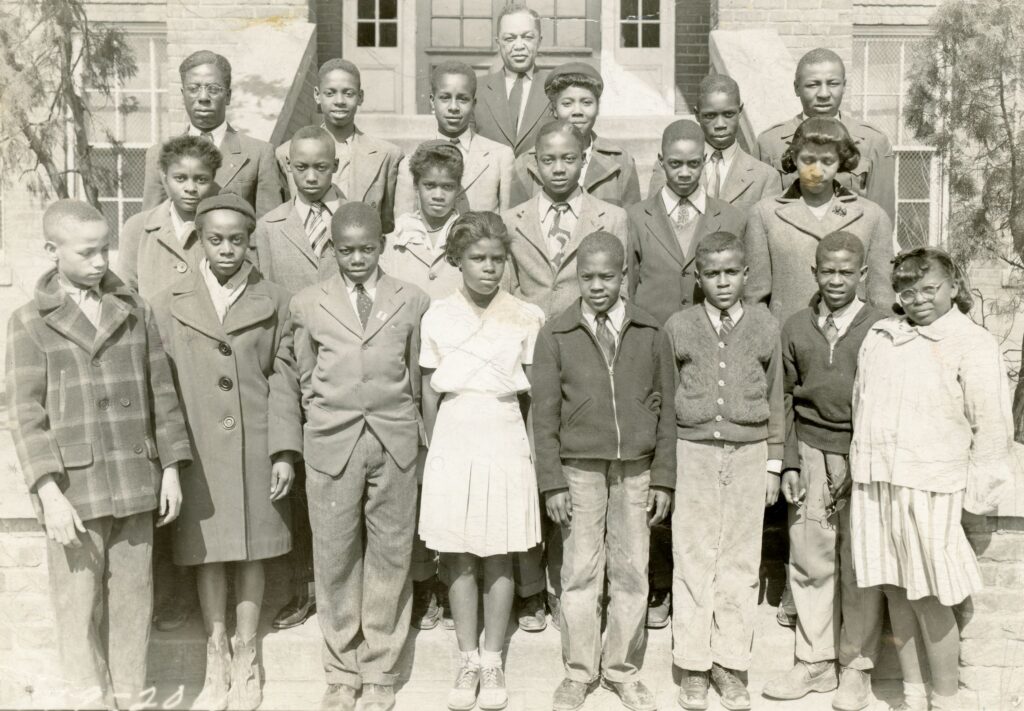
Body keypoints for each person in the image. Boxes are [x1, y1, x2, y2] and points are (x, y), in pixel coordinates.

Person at [6, 200, 191, 709]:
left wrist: (171, 469)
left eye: (104, 249)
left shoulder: (135, 309)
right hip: (73, 487)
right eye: (86, 252)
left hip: (135, 477)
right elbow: (25, 414)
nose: (100, 262)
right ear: (52, 251)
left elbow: (163, 394)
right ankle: (89, 698)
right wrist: (48, 492)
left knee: (134, 599)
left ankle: (132, 696)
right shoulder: (28, 322)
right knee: (78, 602)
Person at [270, 202, 430, 711]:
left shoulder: (411, 299)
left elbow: (413, 374)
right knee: (335, 555)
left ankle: (382, 666)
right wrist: (321, 420)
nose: (357, 258)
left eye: (366, 249)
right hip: (332, 442)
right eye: (346, 250)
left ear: (381, 246)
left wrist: (414, 436)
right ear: (331, 248)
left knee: (390, 553)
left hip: (394, 440)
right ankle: (341, 670)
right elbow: (303, 374)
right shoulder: (308, 302)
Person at [850, 247, 1014, 711]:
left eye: (929, 289)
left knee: (930, 594)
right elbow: (864, 404)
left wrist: (978, 495)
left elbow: (992, 426)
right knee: (896, 589)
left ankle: (945, 699)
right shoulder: (882, 336)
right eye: (907, 290)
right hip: (880, 479)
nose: (918, 299)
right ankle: (912, 693)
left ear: (954, 287)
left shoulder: (971, 343)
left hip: (933, 485)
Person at [150, 194, 294, 711]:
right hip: (200, 448)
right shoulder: (170, 300)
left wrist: (283, 450)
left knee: (253, 548)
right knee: (209, 550)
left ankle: (246, 651)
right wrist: (171, 455)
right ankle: (216, 651)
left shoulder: (274, 299)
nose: (227, 249)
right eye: (216, 239)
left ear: (249, 240)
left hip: (256, 443)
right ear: (200, 240)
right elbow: (160, 382)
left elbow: (284, 377)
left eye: (237, 239)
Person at [532, 231, 674, 711]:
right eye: (587, 277)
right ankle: (578, 671)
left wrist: (664, 476)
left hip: (636, 469)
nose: (596, 286)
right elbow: (544, 415)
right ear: (577, 277)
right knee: (579, 571)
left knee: (633, 570)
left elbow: (667, 410)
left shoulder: (650, 331)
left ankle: (622, 670)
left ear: (624, 276)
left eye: (606, 277)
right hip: (578, 469)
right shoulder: (556, 332)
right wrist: (551, 480)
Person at [502, 119, 629, 631]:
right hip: (530, 359)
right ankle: (533, 587)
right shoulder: (511, 219)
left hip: (588, 360)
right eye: (548, 159)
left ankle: (578, 587)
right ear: (533, 163)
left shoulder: (612, 217)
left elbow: (625, 293)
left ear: (585, 161)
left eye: (569, 159)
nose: (559, 167)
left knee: (578, 474)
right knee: (534, 471)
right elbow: (507, 295)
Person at [417, 211, 544, 711]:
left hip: (505, 431)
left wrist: (531, 452)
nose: (489, 268)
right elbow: (430, 392)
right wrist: (434, 448)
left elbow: (533, 394)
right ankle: (466, 656)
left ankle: (493, 659)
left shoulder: (526, 315)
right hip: (454, 433)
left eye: (497, 259)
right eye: (477, 259)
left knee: (500, 549)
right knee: (460, 553)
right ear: (457, 261)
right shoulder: (437, 315)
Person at [761, 232, 887, 711]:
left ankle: (856, 667)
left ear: (863, 275)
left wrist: (863, 457)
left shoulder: (880, 327)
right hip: (811, 452)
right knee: (811, 559)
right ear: (814, 273)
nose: (836, 280)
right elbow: (786, 400)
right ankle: (815, 661)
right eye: (827, 271)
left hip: (863, 457)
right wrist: (789, 460)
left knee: (858, 564)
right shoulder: (794, 326)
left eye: (845, 272)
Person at [665, 231, 784, 711]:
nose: (722, 282)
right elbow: (667, 393)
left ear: (746, 275)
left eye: (731, 272)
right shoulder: (678, 326)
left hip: (750, 453)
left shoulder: (765, 325)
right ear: (699, 277)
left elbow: (777, 396)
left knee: (738, 560)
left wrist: (774, 462)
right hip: (693, 453)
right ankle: (693, 665)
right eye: (712, 274)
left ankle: (730, 665)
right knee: (693, 556)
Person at [252, 124, 346, 631]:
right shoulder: (270, 226)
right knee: (301, 482)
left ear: (337, 167)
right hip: (293, 362)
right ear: (288, 168)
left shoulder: (355, 217)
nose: (312, 176)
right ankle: (303, 588)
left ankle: (343, 590)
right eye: (301, 167)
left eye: (322, 166)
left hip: (345, 365)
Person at [379, 140, 465, 631]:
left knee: (452, 483)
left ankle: (454, 581)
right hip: (407, 381)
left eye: (448, 187)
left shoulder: (467, 239)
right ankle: (420, 582)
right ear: (415, 188)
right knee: (412, 483)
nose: (438, 195)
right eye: (429, 186)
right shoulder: (394, 245)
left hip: (455, 383)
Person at [745, 116, 894, 323]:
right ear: (794, 157)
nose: (816, 171)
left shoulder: (872, 216)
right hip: (785, 343)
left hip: (853, 344)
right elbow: (754, 299)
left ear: (840, 162)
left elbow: (882, 297)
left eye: (827, 161)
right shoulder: (765, 214)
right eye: (808, 160)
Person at [755, 48, 895, 223]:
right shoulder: (770, 142)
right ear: (796, 88)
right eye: (813, 85)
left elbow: (882, 219)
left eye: (833, 83)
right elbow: (764, 217)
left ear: (844, 86)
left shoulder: (873, 141)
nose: (823, 94)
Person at [142, 50, 285, 218]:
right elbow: (151, 226)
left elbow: (270, 229)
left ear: (228, 96)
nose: (203, 97)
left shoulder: (259, 154)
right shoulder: (158, 155)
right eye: (193, 88)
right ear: (183, 96)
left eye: (213, 89)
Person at [276, 59, 403, 233]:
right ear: (317, 95)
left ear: (361, 97)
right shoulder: (285, 153)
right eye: (330, 93)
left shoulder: (387, 155)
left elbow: (388, 225)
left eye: (348, 93)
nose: (339, 101)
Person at [510, 62, 641, 207]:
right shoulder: (527, 164)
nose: (577, 111)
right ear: (554, 109)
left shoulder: (620, 162)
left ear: (598, 108)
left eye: (586, 103)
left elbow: (630, 223)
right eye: (567, 104)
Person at [395, 62, 514, 216]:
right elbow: (403, 225)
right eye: (445, 98)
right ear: (432, 101)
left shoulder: (500, 157)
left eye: (462, 99)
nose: (453, 107)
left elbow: (509, 222)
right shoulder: (410, 163)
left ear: (474, 104)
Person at [650, 75, 781, 209]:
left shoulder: (766, 177)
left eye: (728, 114)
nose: (720, 125)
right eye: (710, 116)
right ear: (697, 114)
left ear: (740, 111)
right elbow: (655, 218)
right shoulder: (670, 167)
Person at [117, 135, 221, 302]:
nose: (190, 188)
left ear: (212, 179)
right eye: (180, 178)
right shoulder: (137, 227)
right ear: (165, 177)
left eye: (201, 180)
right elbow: (124, 294)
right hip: (152, 326)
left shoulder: (225, 228)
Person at [473, 3, 553, 157]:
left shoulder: (555, 88)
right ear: (498, 43)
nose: (519, 46)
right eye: (509, 38)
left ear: (539, 41)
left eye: (527, 37)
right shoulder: (476, 89)